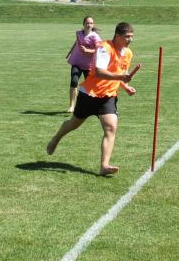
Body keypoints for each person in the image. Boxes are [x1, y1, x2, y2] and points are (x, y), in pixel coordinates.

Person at [46, 22, 141, 176]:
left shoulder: (128, 53)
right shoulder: (104, 48)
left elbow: (121, 74)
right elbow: (99, 72)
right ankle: (56, 139)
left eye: (132, 37)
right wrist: (120, 77)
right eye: (127, 37)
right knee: (74, 123)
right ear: (117, 36)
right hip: (89, 94)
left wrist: (125, 87)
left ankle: (104, 166)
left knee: (111, 128)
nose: (130, 40)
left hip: (108, 97)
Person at [64, 15, 102, 114]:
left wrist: (87, 50)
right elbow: (77, 42)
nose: (89, 25)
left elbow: (99, 50)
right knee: (74, 81)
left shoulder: (95, 36)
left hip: (89, 65)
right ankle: (72, 106)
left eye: (91, 23)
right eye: (87, 23)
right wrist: (70, 52)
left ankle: (94, 106)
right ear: (83, 24)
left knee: (90, 86)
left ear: (93, 25)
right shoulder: (78, 33)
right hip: (76, 61)